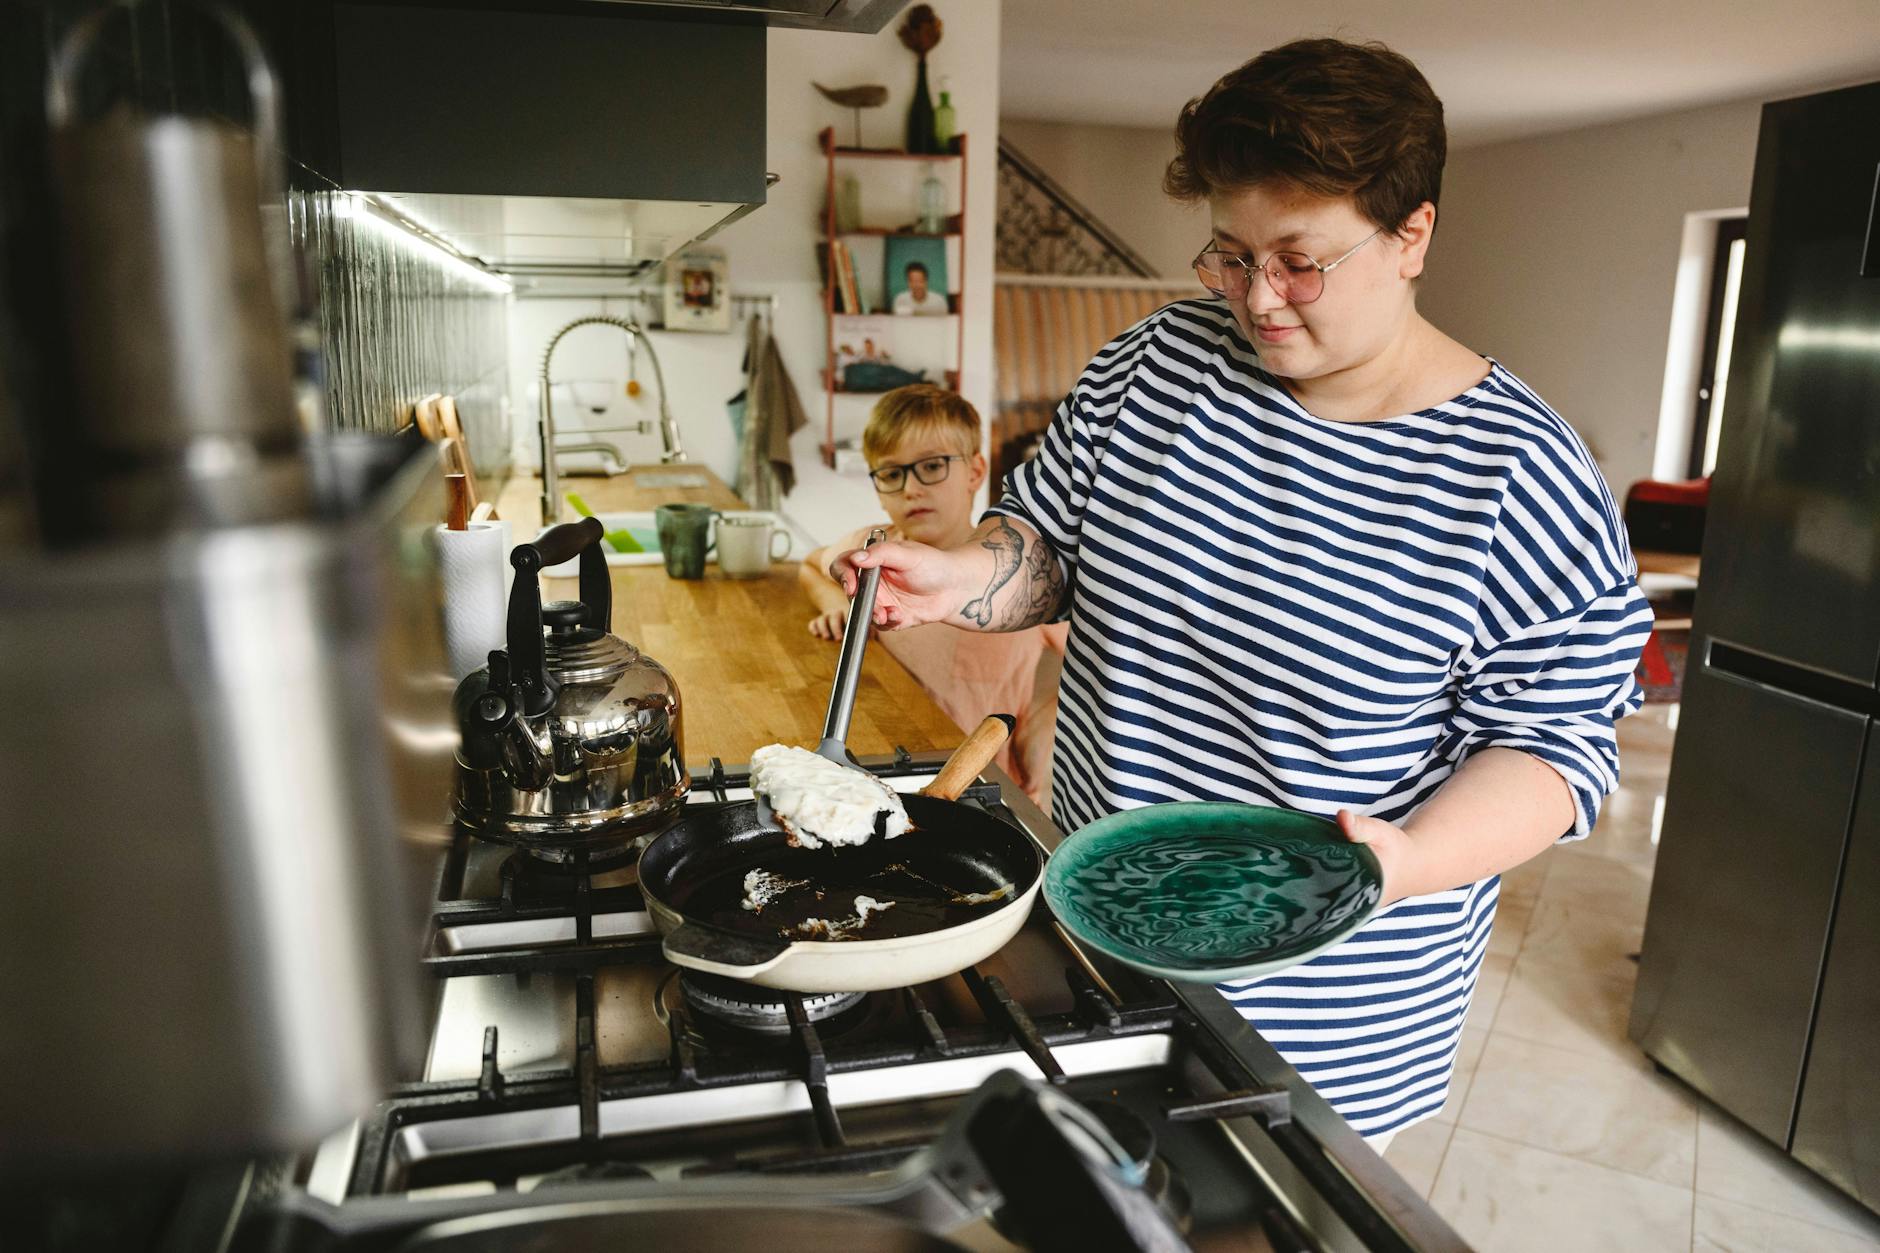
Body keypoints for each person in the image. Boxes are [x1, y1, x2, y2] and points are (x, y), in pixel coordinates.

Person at [828, 38, 1651, 1145]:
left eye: (1299, 262)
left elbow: (1552, 750)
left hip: (1318, 1015)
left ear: (1411, 234)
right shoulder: (1156, 363)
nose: (1257, 299)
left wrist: (1409, 859)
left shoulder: (1520, 476)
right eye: (1230, 254)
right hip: (1093, 932)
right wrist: (962, 574)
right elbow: (1047, 550)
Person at [801, 384, 1066, 805]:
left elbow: (1094, 658)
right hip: (877, 769)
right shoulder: (872, 548)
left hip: (977, 787)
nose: (911, 488)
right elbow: (809, 565)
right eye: (891, 474)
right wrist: (833, 602)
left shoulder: (1021, 572)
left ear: (975, 472)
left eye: (932, 466)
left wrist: (1044, 723)